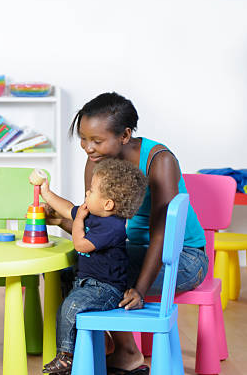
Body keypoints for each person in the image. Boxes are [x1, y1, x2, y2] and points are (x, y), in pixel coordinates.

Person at [47, 92, 208, 375]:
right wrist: (61, 220)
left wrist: (141, 290)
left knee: (100, 276)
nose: (87, 147)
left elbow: (162, 234)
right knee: (72, 267)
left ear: (125, 135)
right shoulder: (97, 161)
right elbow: (96, 224)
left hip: (183, 258)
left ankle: (120, 352)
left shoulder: (160, 160)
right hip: (133, 250)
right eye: (84, 138)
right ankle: (114, 349)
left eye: (96, 140)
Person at [30, 158, 147, 375]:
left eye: (91, 191)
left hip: (106, 290)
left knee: (71, 306)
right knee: (63, 279)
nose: (86, 194)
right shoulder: (94, 213)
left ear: (108, 204)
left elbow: (80, 243)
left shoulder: (113, 227)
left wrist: (77, 221)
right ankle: (98, 344)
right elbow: (67, 208)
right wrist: (46, 192)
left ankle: (66, 356)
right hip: (89, 283)